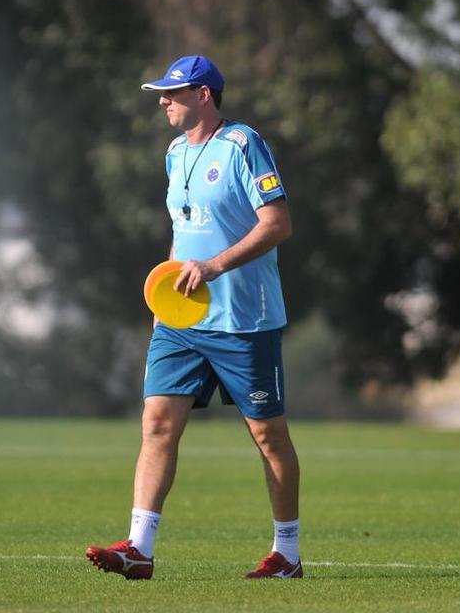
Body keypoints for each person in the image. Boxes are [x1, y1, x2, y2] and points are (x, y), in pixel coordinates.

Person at [85, 55, 302, 580]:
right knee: (157, 424)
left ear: (204, 95)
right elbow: (183, 236)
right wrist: (166, 299)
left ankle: (287, 555)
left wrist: (214, 266)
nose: (162, 101)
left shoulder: (243, 145)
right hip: (181, 323)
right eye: (161, 93)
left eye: (172, 93)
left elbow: (277, 224)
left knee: (268, 436)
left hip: (244, 319)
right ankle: (139, 548)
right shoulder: (174, 153)